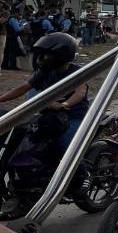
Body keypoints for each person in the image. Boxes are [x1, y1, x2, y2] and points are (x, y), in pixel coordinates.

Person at [0, 33, 90, 164]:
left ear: (61, 55)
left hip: (73, 116)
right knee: (25, 139)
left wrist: (64, 104)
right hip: (49, 116)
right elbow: (24, 87)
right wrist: (2, 98)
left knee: (66, 147)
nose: (42, 58)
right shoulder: (45, 72)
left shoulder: (77, 72)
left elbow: (80, 92)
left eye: (47, 55)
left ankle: (81, 176)